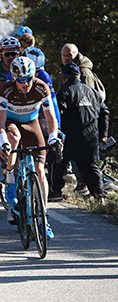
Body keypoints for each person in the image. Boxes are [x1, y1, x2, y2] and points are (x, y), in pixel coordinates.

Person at [0, 57, 60, 238]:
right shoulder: (6, 90)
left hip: (32, 123)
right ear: (14, 78)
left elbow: (51, 118)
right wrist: (3, 142)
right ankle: (9, 177)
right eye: (21, 80)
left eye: (29, 78)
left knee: (40, 170)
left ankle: (44, 220)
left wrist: (54, 137)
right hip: (11, 122)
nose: (26, 83)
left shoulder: (41, 87)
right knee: (13, 139)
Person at [51, 62, 109, 202]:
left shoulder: (64, 93)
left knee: (57, 164)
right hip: (90, 138)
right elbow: (105, 112)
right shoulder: (93, 92)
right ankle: (99, 196)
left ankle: (55, 192)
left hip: (69, 139)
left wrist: (56, 133)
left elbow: (59, 115)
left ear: (64, 77)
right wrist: (103, 134)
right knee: (91, 168)